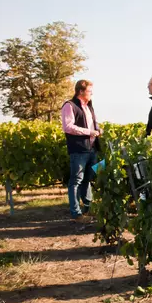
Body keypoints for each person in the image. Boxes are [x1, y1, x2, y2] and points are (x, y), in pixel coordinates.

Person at [60, 80, 101, 222]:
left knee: (88, 179)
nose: (92, 94)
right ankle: (76, 213)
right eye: (90, 91)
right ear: (81, 91)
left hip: (92, 148)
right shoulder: (69, 106)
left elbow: (93, 124)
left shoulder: (89, 106)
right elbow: (68, 126)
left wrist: (97, 130)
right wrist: (89, 132)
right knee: (76, 180)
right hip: (78, 149)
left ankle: (88, 209)